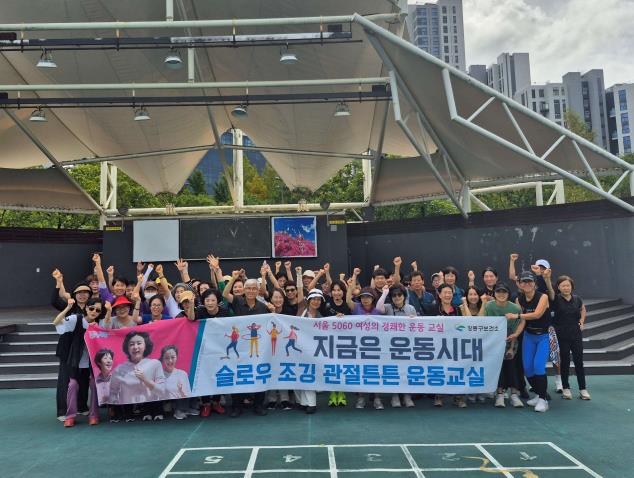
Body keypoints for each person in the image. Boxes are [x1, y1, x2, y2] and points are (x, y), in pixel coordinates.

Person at [223, 271, 274, 418]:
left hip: (258, 348)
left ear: (258, 291)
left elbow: (272, 323)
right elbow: (225, 293)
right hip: (240, 347)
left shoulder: (264, 307)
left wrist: (273, 311)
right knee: (238, 375)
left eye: (254, 288)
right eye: (248, 288)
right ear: (244, 290)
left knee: (259, 374)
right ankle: (236, 406)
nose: (251, 291)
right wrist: (234, 278)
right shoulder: (237, 301)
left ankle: (258, 405)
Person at [53, 297, 104, 427]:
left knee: (94, 384)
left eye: (98, 310)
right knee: (72, 385)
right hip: (75, 361)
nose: (94, 312)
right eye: (91, 308)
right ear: (86, 308)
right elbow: (56, 322)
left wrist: (99, 328)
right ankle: (70, 416)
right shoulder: (76, 319)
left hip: (92, 364)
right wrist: (68, 308)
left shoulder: (100, 325)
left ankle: (94, 415)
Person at [544, 273, 591, 400]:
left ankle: (583, 389)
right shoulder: (555, 299)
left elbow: (582, 309)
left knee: (579, 362)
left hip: (576, 334)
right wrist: (547, 279)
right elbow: (550, 291)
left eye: (568, 285)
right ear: (558, 287)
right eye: (563, 286)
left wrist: (582, 321)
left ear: (572, 287)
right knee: (564, 362)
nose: (566, 288)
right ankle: (566, 388)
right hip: (561, 334)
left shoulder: (577, 299)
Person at [481, 283, 525, 409]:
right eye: (498, 292)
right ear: (494, 294)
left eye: (504, 292)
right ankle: (499, 394)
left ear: (508, 294)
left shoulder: (515, 308)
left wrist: (512, 346)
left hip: (511, 343)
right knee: (498, 368)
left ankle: (514, 394)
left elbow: (520, 323)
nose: (501, 294)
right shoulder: (489, 306)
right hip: (493, 344)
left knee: (512, 366)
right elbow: (483, 322)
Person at [516, 271, 551, 412]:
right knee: (527, 368)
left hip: (544, 336)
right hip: (528, 336)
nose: (527, 284)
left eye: (529, 281)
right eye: (523, 281)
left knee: (538, 366)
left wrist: (517, 315)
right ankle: (539, 394)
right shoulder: (519, 299)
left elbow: (537, 314)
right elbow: (523, 321)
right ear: (519, 284)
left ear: (535, 283)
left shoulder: (543, 297)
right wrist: (516, 334)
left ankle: (543, 400)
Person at [109, 331, 166, 415]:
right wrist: (117, 409)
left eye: (139, 343)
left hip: (151, 412)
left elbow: (162, 391)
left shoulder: (155, 364)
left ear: (145, 345)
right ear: (127, 347)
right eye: (131, 344)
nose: (135, 347)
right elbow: (112, 392)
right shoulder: (119, 369)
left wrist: (145, 380)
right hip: (128, 414)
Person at [383, 284, 416, 409]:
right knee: (393, 371)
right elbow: (378, 308)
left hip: (407, 346)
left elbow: (419, 327)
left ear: (404, 296)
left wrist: (414, 320)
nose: (397, 297)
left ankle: (407, 396)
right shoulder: (387, 308)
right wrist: (385, 293)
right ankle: (395, 395)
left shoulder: (411, 308)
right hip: (390, 347)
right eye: (394, 295)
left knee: (406, 371)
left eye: (399, 295)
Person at [294, 288, 325, 414]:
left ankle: (311, 404)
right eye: (314, 299)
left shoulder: (320, 315)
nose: (316, 302)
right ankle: (301, 402)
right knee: (297, 375)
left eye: (319, 300)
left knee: (308, 374)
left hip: (312, 349)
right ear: (309, 300)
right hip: (298, 347)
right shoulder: (302, 310)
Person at [435, 283, 464, 408]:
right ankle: (438, 396)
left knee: (457, 370)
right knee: (439, 370)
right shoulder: (433, 309)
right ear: (439, 295)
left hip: (455, 346)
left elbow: (465, 325)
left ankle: (458, 397)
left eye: (450, 293)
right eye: (445, 292)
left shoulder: (458, 310)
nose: (448, 295)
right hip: (438, 346)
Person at [161, 345, 197, 420]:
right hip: (167, 400)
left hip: (179, 400)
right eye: (167, 358)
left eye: (173, 357)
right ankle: (176, 409)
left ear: (177, 357)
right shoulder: (159, 374)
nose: (170, 361)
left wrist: (180, 390)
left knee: (185, 388)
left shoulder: (182, 373)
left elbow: (187, 393)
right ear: (163, 359)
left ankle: (183, 408)